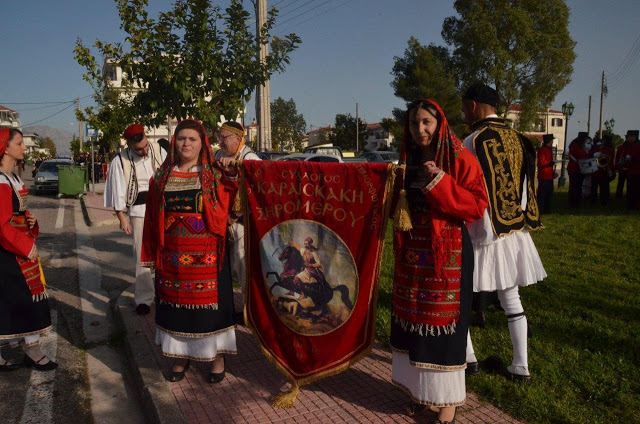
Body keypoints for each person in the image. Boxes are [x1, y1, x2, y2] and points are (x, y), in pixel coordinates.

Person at [391, 99, 488, 423]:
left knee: (444, 334)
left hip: (447, 257)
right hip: (413, 257)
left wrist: (440, 182)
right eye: (414, 123)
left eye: (426, 122)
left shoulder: (459, 155)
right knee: (415, 330)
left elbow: (476, 205)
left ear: (439, 123)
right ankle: (421, 394)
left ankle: (447, 404)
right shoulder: (407, 156)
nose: (420, 129)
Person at [141, 119, 238, 383]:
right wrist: (151, 252)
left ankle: (217, 357)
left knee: (210, 311)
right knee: (176, 309)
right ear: (174, 142)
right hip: (172, 258)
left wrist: (232, 173)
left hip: (208, 257)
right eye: (182, 138)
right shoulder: (162, 176)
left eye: (192, 139)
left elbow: (235, 200)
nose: (186, 143)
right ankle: (180, 356)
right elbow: (152, 216)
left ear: (202, 143)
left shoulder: (214, 174)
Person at [460, 84, 546, 382]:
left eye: (463, 107)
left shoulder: (472, 140)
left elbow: (464, 190)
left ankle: (468, 358)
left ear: (473, 105)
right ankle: (520, 366)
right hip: (513, 228)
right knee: (512, 299)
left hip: (480, 231)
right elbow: (527, 188)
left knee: (461, 296)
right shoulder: (521, 139)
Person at [0, 128, 57, 372]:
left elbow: (18, 214)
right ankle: (32, 351)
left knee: (24, 300)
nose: (25, 148)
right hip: (9, 252)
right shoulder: (1, 182)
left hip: (21, 249)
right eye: (20, 143)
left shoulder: (13, 178)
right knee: (14, 301)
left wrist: (32, 221)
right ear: (6, 147)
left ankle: (32, 350)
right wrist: (26, 246)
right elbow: (1, 224)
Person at [104, 124, 165, 315]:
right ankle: (144, 298)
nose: (145, 150)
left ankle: (166, 294)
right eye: (139, 148)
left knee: (165, 251)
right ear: (129, 144)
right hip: (139, 211)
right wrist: (122, 217)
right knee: (142, 255)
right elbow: (117, 190)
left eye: (146, 145)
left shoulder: (158, 150)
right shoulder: (120, 161)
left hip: (163, 209)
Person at [213, 121, 260, 312]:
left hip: (242, 223)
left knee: (244, 268)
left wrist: (236, 215)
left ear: (238, 139)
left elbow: (258, 194)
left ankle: (251, 313)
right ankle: (224, 308)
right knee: (221, 269)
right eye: (220, 137)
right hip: (221, 221)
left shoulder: (251, 159)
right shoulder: (217, 155)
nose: (220, 142)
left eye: (224, 138)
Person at [589, 135, 615, 205]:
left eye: (603, 141)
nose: (602, 142)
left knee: (597, 186)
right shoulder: (610, 148)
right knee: (604, 187)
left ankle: (595, 200)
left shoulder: (605, 149)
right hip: (603, 170)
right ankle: (603, 200)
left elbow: (604, 158)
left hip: (601, 170)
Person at [567, 132, 590, 208]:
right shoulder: (575, 146)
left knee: (576, 186)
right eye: (586, 138)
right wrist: (591, 155)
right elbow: (581, 155)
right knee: (575, 187)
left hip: (575, 168)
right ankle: (574, 203)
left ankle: (574, 202)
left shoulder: (575, 145)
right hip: (574, 169)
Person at [615, 131, 637, 199]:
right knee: (620, 183)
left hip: (629, 168)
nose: (628, 139)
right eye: (627, 137)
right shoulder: (621, 147)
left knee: (629, 184)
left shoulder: (633, 147)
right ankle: (618, 195)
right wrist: (618, 166)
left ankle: (628, 195)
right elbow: (617, 158)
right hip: (622, 168)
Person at [537, 134, 556, 213]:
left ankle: (547, 209)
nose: (552, 142)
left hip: (549, 175)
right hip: (544, 175)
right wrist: (549, 163)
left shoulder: (548, 149)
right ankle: (540, 209)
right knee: (542, 194)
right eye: (552, 140)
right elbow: (541, 162)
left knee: (549, 194)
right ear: (549, 141)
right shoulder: (543, 149)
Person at [626, 130, 640, 210]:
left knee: (634, 190)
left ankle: (633, 205)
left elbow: (634, 158)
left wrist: (629, 158)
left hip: (635, 171)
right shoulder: (634, 145)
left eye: (629, 137)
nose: (628, 138)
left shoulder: (637, 146)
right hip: (633, 170)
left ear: (634, 137)